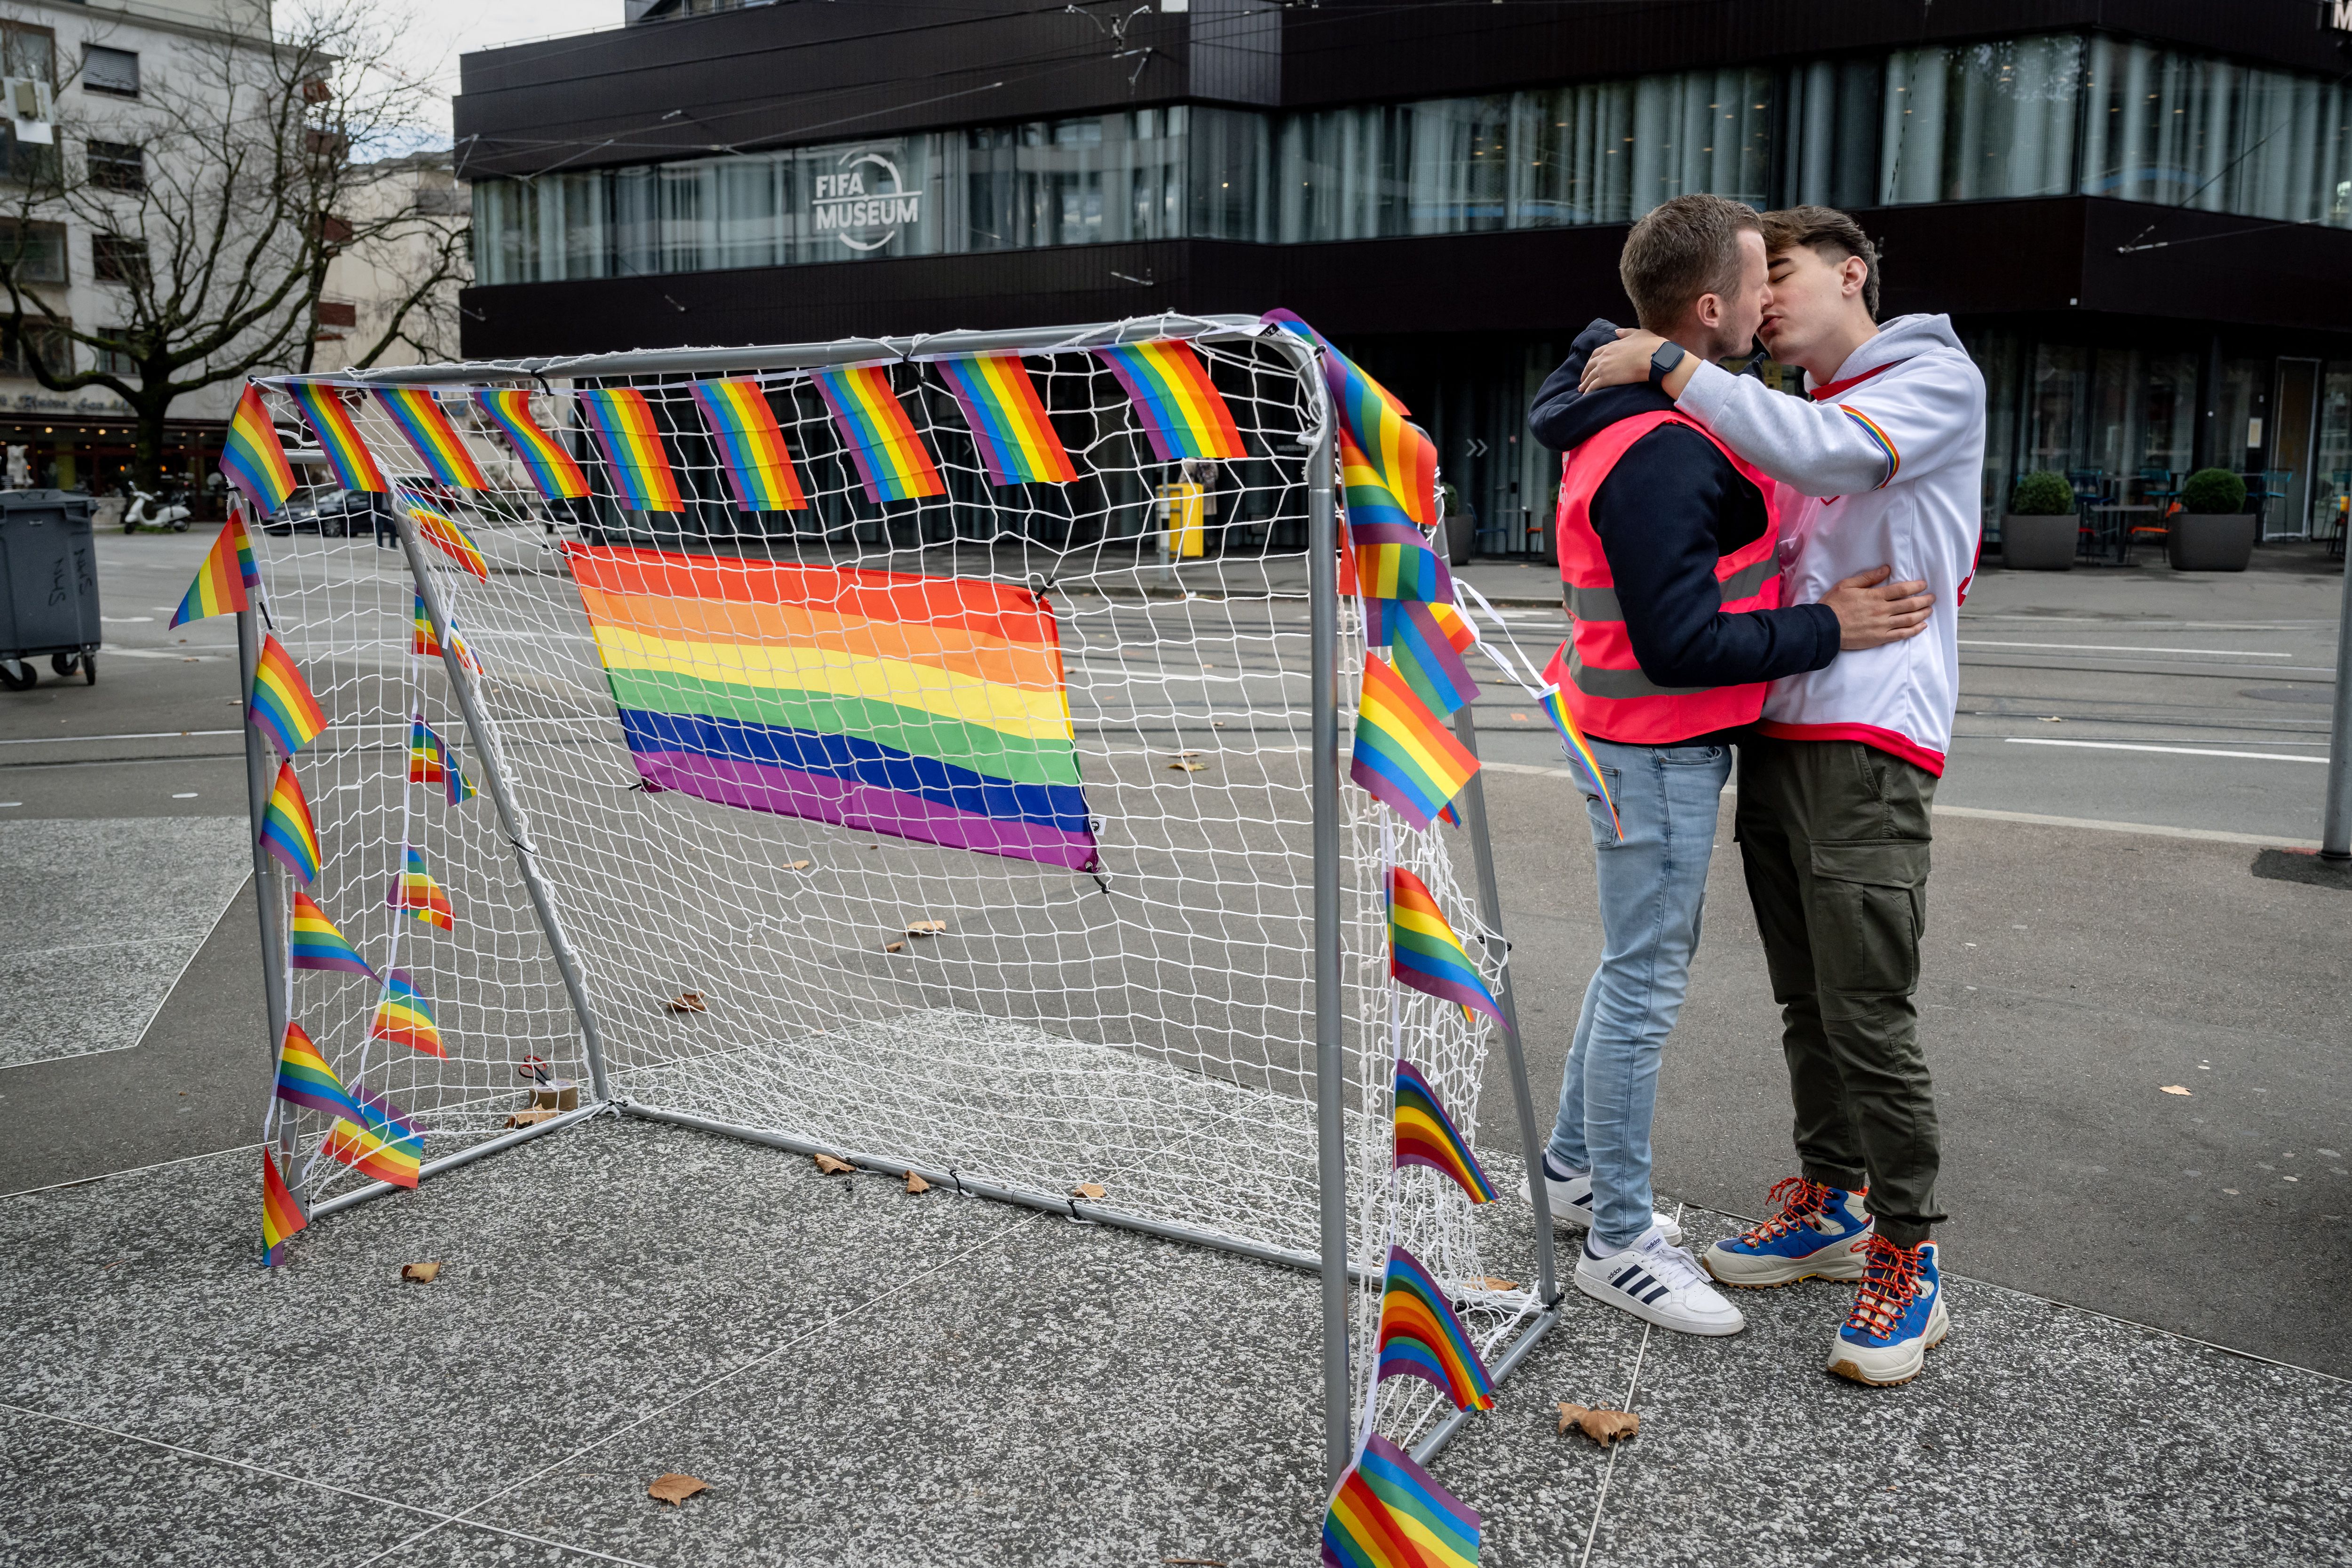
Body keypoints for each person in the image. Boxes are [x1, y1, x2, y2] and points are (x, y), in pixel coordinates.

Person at [1576, 205, 1986, 1387]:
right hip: (1782, 729)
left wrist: (1666, 359)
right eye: (1750, 286)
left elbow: (1824, 460)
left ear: (1851, 272)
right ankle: (1833, 1197)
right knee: (1808, 1000)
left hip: (1867, 743)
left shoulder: (1925, 379)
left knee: (1867, 1007)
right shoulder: (1797, 406)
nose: (1761, 305)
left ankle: (1909, 1254)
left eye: (1783, 278)